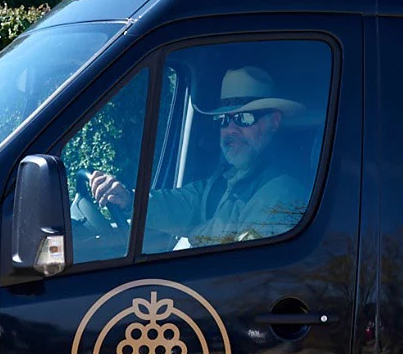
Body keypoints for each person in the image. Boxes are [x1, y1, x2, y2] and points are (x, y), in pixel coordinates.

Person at [84, 65, 312, 248]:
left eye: (244, 118)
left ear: (273, 122)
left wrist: (191, 237)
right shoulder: (228, 178)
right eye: (223, 119)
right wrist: (128, 199)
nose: (231, 129)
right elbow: (184, 204)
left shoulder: (282, 193)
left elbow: (237, 268)